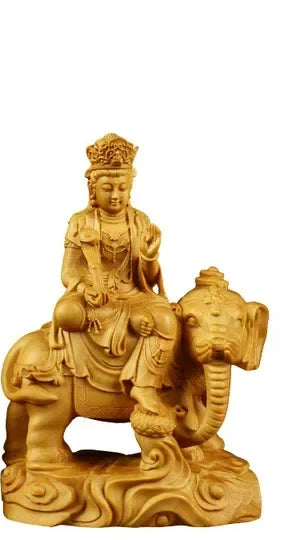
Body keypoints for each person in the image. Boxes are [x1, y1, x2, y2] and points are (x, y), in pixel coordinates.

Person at [51, 133, 177, 415]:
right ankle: (129, 326)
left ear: (131, 188)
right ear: (93, 189)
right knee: (65, 314)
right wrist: (85, 289)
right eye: (108, 188)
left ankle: (144, 384)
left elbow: (148, 278)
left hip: (134, 295)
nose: (116, 195)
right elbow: (68, 271)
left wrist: (149, 256)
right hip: (95, 300)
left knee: (167, 320)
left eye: (122, 188)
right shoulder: (80, 221)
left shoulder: (140, 221)